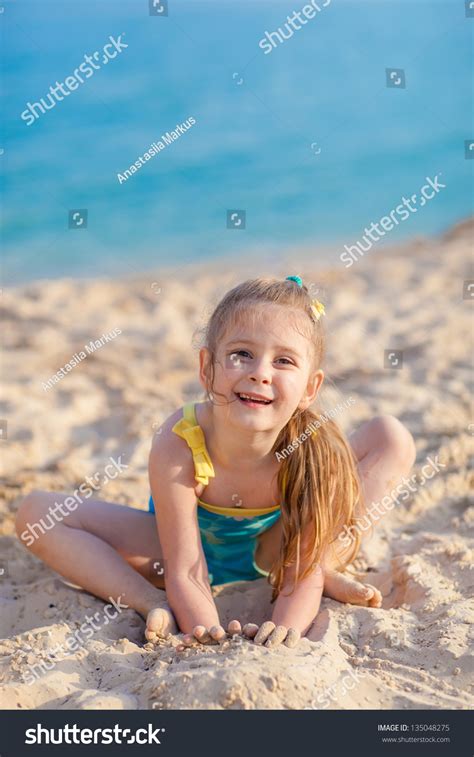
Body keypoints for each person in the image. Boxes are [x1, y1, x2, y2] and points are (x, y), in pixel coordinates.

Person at [16, 275, 416, 649]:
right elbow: (186, 569)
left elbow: (299, 569)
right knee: (36, 512)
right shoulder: (182, 439)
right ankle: (147, 600)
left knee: (390, 436)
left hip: (279, 550)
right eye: (242, 354)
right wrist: (207, 632)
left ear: (310, 388)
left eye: (284, 361)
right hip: (171, 553)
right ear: (207, 368)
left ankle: (330, 566)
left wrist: (286, 629)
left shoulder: (311, 448)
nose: (260, 373)